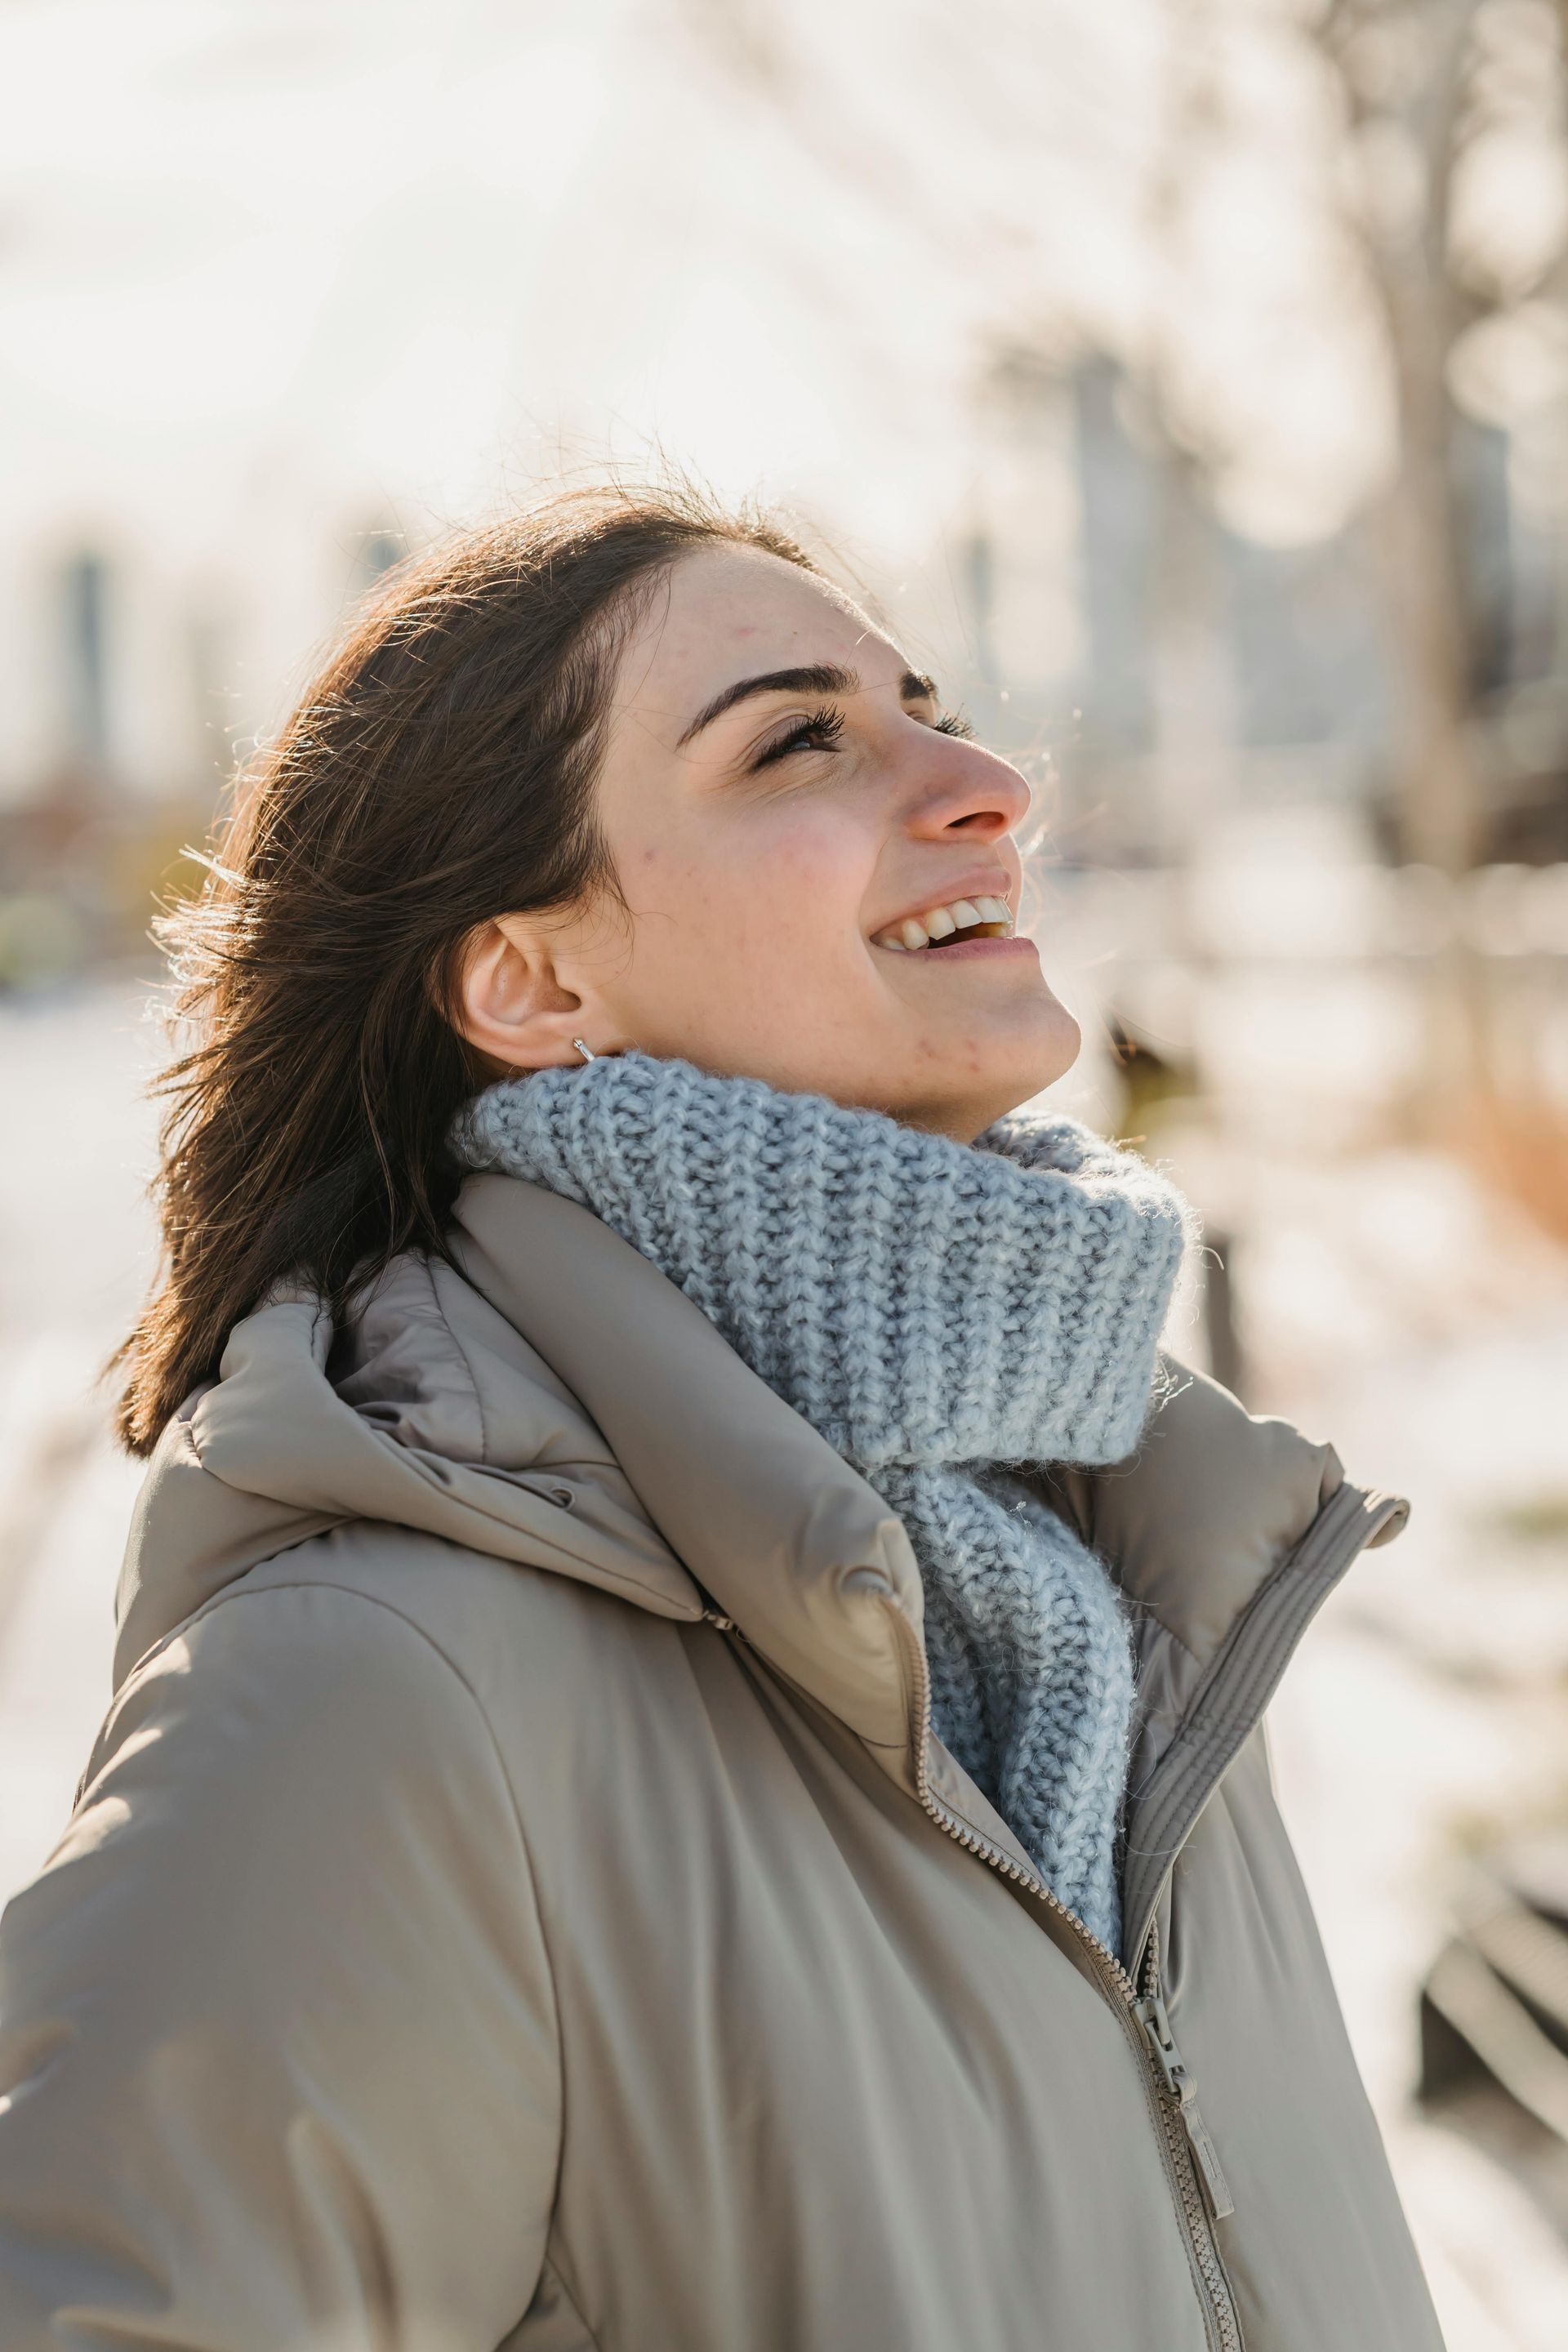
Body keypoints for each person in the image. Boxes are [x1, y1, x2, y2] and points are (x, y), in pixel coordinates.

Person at [0, 484, 1443, 2351]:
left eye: (928, 704)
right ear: (532, 979)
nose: (986, 777)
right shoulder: (372, 1688)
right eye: (797, 744)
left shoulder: (1114, 1573)